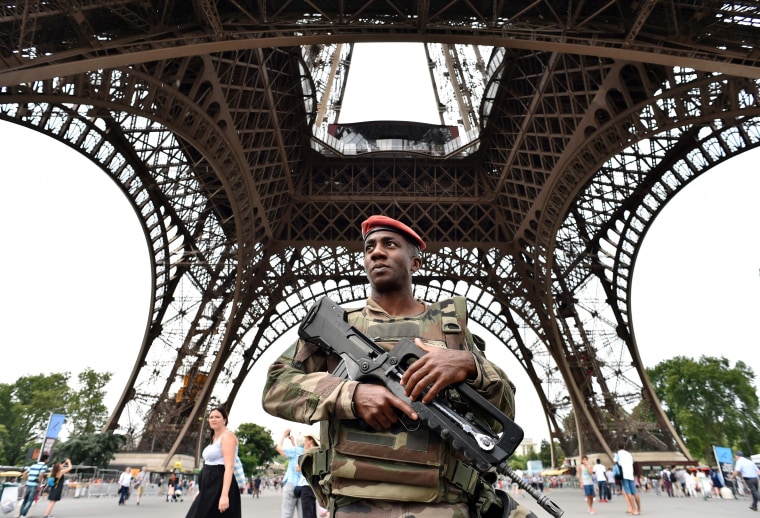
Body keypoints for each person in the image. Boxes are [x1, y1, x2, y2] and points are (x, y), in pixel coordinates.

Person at [263, 215, 534, 518]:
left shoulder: (451, 330)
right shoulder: (339, 326)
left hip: (442, 505)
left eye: (389, 244)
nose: (376, 252)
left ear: (416, 262)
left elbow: (503, 415)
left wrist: (471, 365)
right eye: (369, 248)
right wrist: (350, 395)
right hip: (355, 503)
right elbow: (276, 386)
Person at [185, 406, 241, 518]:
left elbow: (229, 467)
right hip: (209, 486)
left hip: (219, 484)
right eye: (211, 417)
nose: (213, 419)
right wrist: (202, 490)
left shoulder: (227, 436)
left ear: (224, 420)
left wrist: (224, 495)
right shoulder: (215, 437)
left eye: (217, 417)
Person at [277, 428, 304, 518]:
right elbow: (298, 452)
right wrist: (293, 443)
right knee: (302, 514)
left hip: (291, 483)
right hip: (302, 485)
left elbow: (279, 449)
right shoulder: (306, 452)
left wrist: (284, 435)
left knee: (287, 513)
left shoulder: (295, 451)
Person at [299, 425, 321, 518]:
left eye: (306, 440)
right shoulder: (318, 453)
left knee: (307, 513)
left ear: (311, 440)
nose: (304, 442)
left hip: (307, 486)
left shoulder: (308, 454)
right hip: (314, 486)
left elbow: (298, 467)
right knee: (312, 513)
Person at [19, 453, 49, 518]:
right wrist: (39, 484)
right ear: (45, 460)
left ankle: (21, 514)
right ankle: (23, 515)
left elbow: (24, 473)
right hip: (34, 485)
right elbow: (41, 475)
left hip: (28, 484)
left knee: (25, 500)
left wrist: (26, 480)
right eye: (47, 459)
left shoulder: (33, 465)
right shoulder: (43, 466)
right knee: (30, 501)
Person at [615, 443, 641, 515]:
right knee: (635, 492)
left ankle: (634, 509)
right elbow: (631, 463)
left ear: (618, 447)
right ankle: (639, 509)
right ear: (624, 447)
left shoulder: (617, 454)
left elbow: (615, 462)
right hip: (630, 474)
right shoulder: (629, 454)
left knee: (628, 492)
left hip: (623, 474)